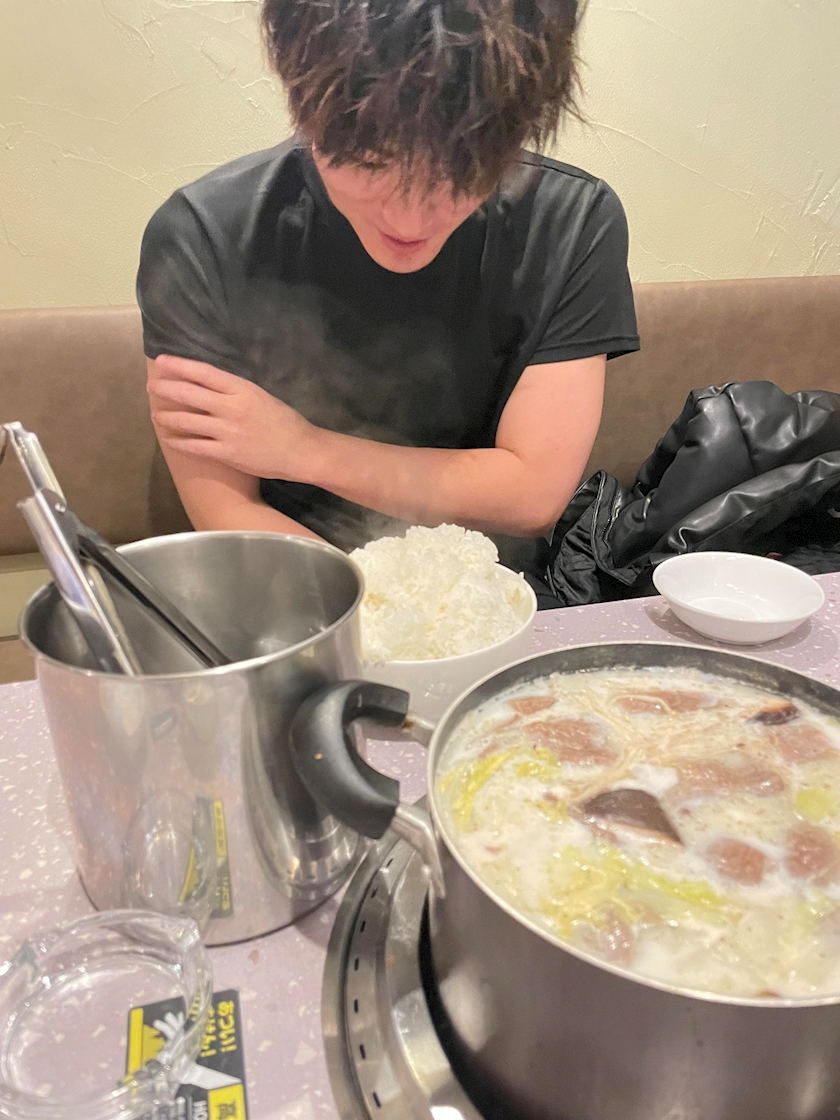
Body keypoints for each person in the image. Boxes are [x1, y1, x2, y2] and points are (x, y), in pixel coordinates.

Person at [138, 0, 638, 590]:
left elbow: (531, 497)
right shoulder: (205, 233)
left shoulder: (571, 222)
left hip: (494, 591)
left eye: (460, 173)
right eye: (371, 164)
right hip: (291, 588)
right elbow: (227, 508)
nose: (409, 219)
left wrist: (302, 449)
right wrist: (377, 615)